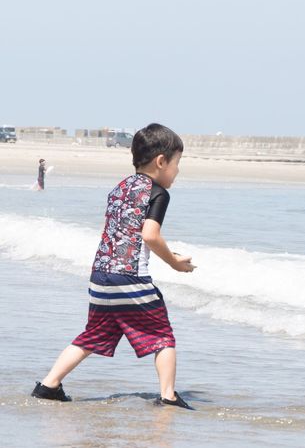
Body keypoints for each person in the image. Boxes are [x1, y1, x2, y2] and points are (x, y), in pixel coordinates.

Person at [31, 123, 197, 408]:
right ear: (161, 161)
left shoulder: (119, 188)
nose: (178, 171)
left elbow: (115, 232)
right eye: (177, 163)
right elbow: (150, 235)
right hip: (130, 279)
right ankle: (168, 396)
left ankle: (49, 385)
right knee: (162, 336)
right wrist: (174, 262)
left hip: (101, 276)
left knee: (92, 336)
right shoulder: (158, 193)